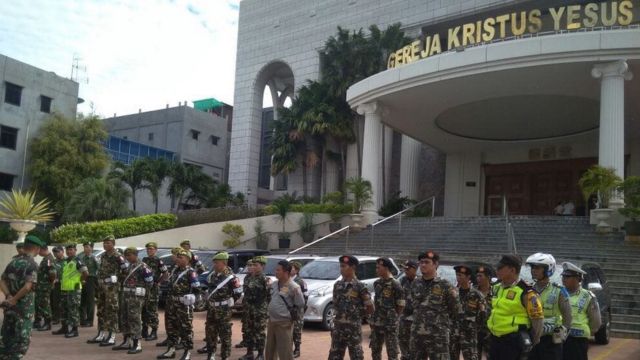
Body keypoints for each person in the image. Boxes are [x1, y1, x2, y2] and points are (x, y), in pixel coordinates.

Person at [488, 255, 544, 360]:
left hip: (513, 342)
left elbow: (538, 320)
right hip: (495, 340)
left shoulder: (526, 292)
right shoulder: (496, 287)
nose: (497, 270)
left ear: (512, 270)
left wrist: (530, 342)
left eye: (500, 268)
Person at [410, 250, 461, 359]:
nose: (423, 265)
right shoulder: (415, 283)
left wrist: (447, 330)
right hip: (417, 336)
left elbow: (456, 311)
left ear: (435, 264)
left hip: (438, 338)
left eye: (427, 262)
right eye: (421, 262)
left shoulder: (445, 286)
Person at [0, 235, 43, 359]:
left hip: (10, 309)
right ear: (36, 248)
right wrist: (14, 299)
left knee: (6, 340)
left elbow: (2, 280)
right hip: (23, 310)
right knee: (20, 343)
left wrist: (8, 295)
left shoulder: (13, 262)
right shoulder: (32, 265)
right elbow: (27, 287)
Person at [197, 252, 242, 360]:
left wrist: (232, 300)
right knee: (210, 332)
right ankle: (211, 354)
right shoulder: (213, 275)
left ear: (224, 263)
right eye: (214, 263)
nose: (214, 265)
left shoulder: (231, 277)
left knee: (225, 334)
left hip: (224, 310)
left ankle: (224, 356)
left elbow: (238, 292)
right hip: (212, 309)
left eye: (216, 263)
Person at [526, 253, 572, 360]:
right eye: (532, 267)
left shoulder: (559, 290)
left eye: (537, 267)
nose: (533, 270)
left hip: (550, 340)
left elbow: (568, 316)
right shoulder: (528, 290)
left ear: (548, 269)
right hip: (531, 337)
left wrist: (562, 333)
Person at [157, 248, 200, 360]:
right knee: (170, 327)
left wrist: (192, 297)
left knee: (185, 328)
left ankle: (187, 352)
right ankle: (171, 350)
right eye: (178, 257)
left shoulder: (191, 272)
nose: (178, 259)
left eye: (181, 258)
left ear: (187, 259)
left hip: (183, 305)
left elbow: (197, 289)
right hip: (171, 303)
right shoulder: (175, 270)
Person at [328, 255, 373, 360]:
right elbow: (335, 305)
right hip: (338, 328)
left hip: (353, 329)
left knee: (356, 356)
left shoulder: (360, 286)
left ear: (353, 267)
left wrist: (357, 315)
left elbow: (370, 308)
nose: (341, 269)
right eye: (340, 266)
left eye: (344, 266)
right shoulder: (338, 285)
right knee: (334, 356)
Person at [113, 247, 154, 354]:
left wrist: (142, 294)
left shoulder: (143, 267)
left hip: (135, 298)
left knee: (134, 319)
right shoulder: (129, 266)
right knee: (124, 318)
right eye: (126, 256)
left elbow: (150, 282)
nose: (127, 257)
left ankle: (137, 344)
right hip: (126, 295)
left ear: (135, 255)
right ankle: (127, 341)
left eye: (129, 255)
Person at [88, 235, 126, 347]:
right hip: (102, 286)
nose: (105, 245)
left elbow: (125, 270)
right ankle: (101, 333)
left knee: (112, 310)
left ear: (113, 244)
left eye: (108, 243)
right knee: (101, 310)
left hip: (112, 288)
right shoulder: (103, 256)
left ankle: (112, 336)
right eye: (104, 243)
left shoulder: (118, 256)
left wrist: (117, 279)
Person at [265, 260, 305, 360]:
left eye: (278, 270)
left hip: (284, 323)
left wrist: (291, 317)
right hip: (272, 321)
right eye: (276, 270)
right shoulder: (274, 284)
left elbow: (300, 303)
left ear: (286, 272)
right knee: (269, 351)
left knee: (285, 352)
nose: (275, 272)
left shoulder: (294, 287)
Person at [561, 262, 601, 360]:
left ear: (578, 279)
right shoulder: (558, 292)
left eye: (567, 276)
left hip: (578, 339)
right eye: (563, 276)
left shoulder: (587, 296)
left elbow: (595, 322)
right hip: (559, 337)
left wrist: (586, 332)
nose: (563, 279)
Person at [370, 257, 404, 360]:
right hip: (377, 322)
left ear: (386, 268)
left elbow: (401, 305)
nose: (376, 270)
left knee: (392, 351)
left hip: (390, 323)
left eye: (378, 268)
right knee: (375, 350)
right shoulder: (377, 283)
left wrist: (393, 317)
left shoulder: (395, 284)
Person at [52, 243, 89, 338]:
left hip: (74, 289)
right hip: (65, 289)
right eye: (68, 250)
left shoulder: (78, 260)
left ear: (75, 250)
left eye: (71, 250)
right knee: (63, 308)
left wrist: (81, 281)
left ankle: (74, 330)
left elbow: (85, 273)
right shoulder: (66, 261)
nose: (69, 252)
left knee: (73, 309)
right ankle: (64, 327)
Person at [450, 264, 486, 360]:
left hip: (469, 334)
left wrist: (474, 328)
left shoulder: (477, 295)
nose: (458, 278)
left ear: (468, 277)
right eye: (457, 275)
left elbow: (483, 315)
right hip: (453, 333)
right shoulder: (453, 293)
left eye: (460, 275)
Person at [241, 255, 270, 360]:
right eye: (252, 265)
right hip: (249, 309)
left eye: (256, 265)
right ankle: (249, 353)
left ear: (262, 266)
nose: (253, 267)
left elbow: (269, 296)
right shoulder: (248, 277)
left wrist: (264, 308)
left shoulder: (265, 279)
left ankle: (261, 354)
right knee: (248, 331)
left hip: (259, 310)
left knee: (259, 333)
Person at [156, 247, 184, 348]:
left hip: (180, 299)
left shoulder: (183, 268)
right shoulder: (174, 267)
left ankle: (182, 340)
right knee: (169, 319)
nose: (172, 256)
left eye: (174, 254)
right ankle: (170, 338)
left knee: (181, 320)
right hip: (170, 297)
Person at [142, 241, 168, 341]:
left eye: (151, 249)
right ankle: (144, 330)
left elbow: (165, 273)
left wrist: (158, 282)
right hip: (145, 288)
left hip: (153, 289)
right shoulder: (144, 260)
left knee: (152, 310)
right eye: (148, 249)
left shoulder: (158, 261)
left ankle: (154, 331)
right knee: (144, 309)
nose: (149, 251)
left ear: (155, 250)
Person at [34, 244, 56, 331]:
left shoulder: (49, 259)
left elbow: (53, 273)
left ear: (43, 249)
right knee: (41, 303)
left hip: (45, 286)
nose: (38, 252)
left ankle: (47, 323)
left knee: (45, 304)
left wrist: (50, 282)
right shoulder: (46, 258)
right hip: (42, 286)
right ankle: (42, 322)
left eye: (39, 250)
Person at [398, 260, 417, 360]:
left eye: (408, 269)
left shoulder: (420, 282)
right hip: (404, 316)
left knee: (414, 343)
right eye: (404, 269)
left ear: (414, 269)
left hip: (416, 318)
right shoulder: (402, 280)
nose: (405, 271)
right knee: (402, 339)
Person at [474, 265, 495, 357]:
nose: (478, 278)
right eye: (477, 276)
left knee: (491, 355)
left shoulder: (496, 291)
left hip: (490, 331)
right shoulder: (472, 291)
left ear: (488, 277)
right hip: (475, 330)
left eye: (480, 276)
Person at [78, 241, 99, 328]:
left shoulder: (94, 258)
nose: (86, 248)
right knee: (82, 299)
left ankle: (90, 320)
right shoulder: (81, 257)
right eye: (85, 247)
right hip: (82, 279)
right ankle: (82, 319)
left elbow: (99, 269)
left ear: (91, 248)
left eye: (88, 247)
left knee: (90, 300)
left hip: (91, 279)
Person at [235, 259, 255, 349]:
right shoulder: (246, 277)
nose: (250, 267)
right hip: (246, 304)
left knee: (254, 325)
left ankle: (255, 342)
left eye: (251, 265)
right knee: (245, 323)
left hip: (255, 306)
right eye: (248, 265)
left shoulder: (259, 278)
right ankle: (245, 340)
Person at [289, 261, 307, 358]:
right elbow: (283, 293)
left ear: (297, 270)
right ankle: (288, 348)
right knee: (288, 330)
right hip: (288, 309)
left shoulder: (300, 281)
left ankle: (297, 349)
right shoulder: (286, 280)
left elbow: (305, 296)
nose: (290, 270)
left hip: (297, 310)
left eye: (292, 268)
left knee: (297, 330)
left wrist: (301, 308)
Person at [51, 246, 65, 325]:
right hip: (56, 284)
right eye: (54, 252)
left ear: (62, 252)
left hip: (65, 284)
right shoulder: (53, 261)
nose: (56, 254)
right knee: (55, 301)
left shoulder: (67, 261)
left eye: (57, 252)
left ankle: (64, 318)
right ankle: (56, 318)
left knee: (65, 302)